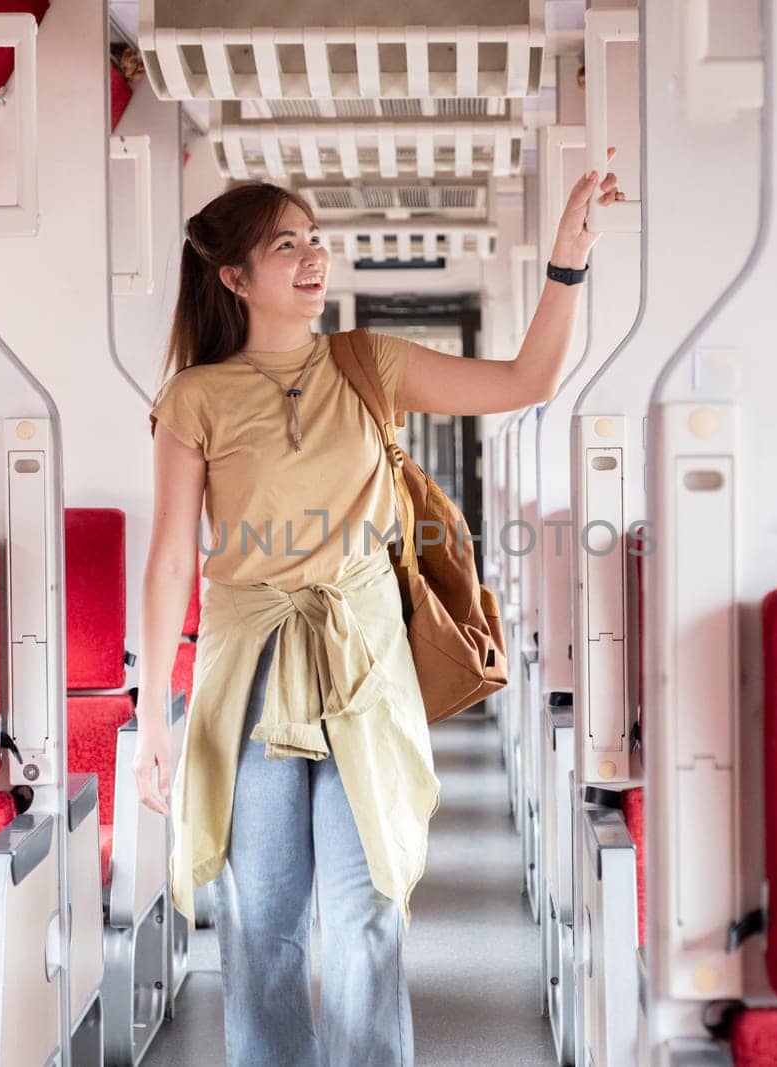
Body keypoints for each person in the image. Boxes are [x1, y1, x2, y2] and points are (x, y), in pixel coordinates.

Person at [131, 157, 623, 1066]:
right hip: (249, 671)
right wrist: (152, 715)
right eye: (288, 246)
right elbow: (169, 559)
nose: (316, 257)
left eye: (316, 239)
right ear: (234, 278)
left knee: (365, 914)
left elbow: (528, 380)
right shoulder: (194, 398)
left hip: (363, 662)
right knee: (264, 925)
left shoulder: (367, 361)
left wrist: (568, 260)